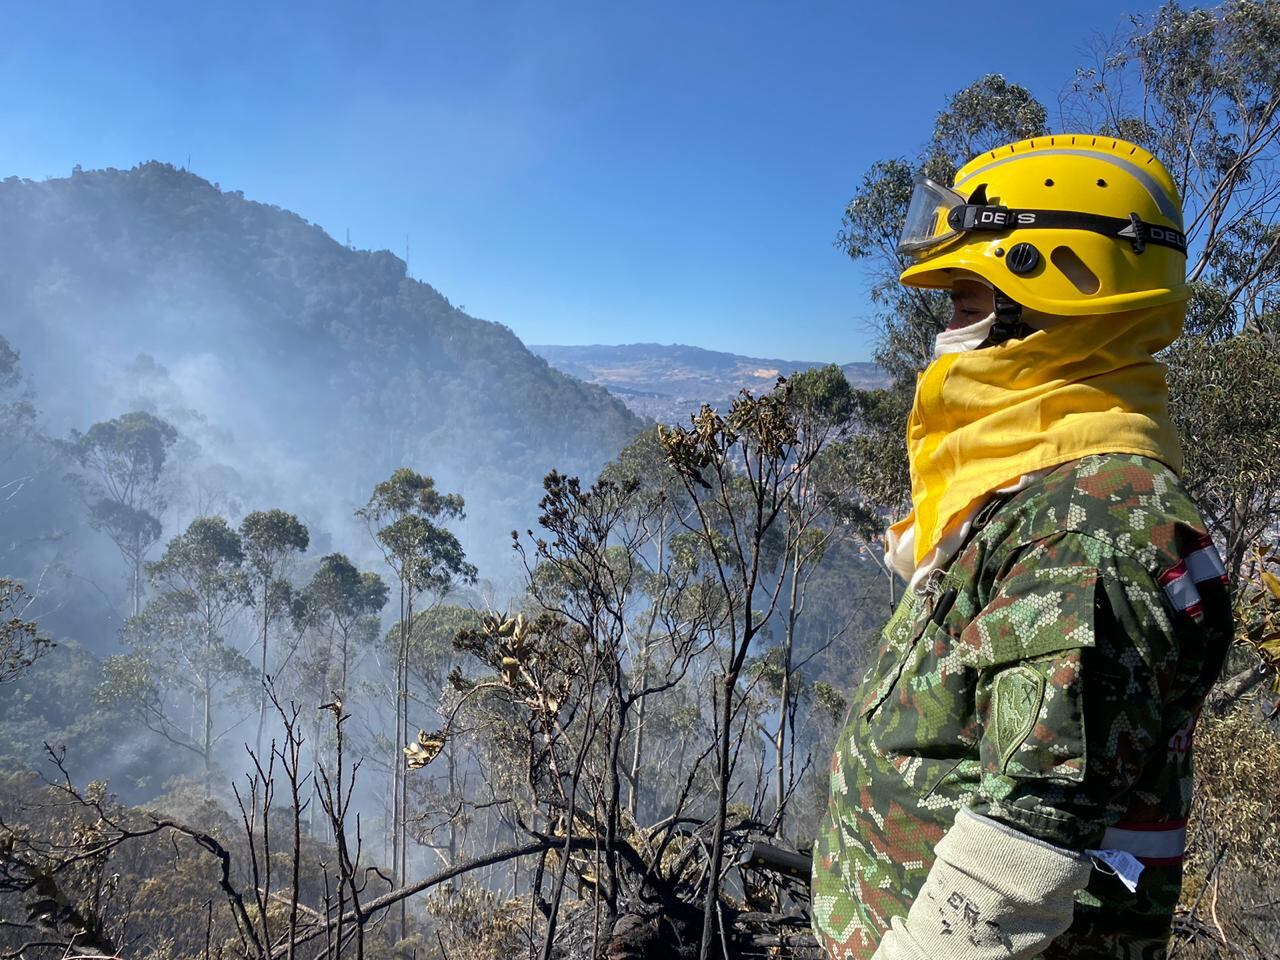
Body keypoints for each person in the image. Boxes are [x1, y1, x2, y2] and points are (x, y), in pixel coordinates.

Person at [810, 135, 1233, 960]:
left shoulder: (1090, 533)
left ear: (1060, 287)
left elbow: (1016, 867)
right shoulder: (1045, 488)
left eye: (967, 301)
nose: (947, 333)